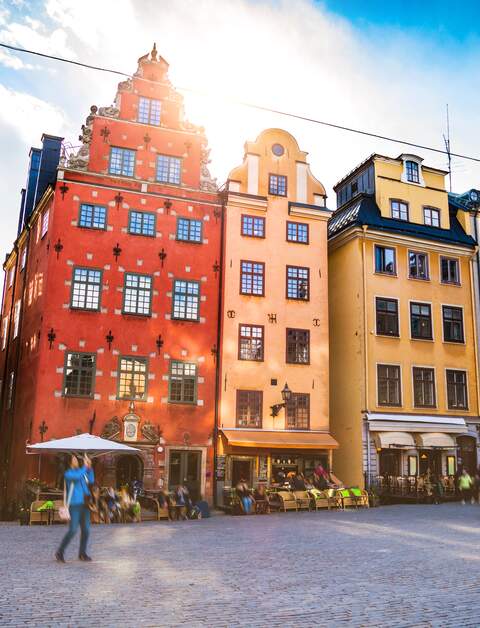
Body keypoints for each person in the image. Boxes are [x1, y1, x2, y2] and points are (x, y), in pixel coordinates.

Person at [55, 454, 94, 563]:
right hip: (75, 504)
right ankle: (60, 552)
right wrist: (85, 468)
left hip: (85, 504)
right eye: (74, 459)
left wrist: (89, 468)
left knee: (86, 530)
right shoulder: (68, 474)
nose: (76, 460)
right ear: (70, 462)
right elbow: (76, 478)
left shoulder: (82, 471)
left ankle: (82, 553)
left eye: (77, 459)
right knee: (73, 530)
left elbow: (91, 480)